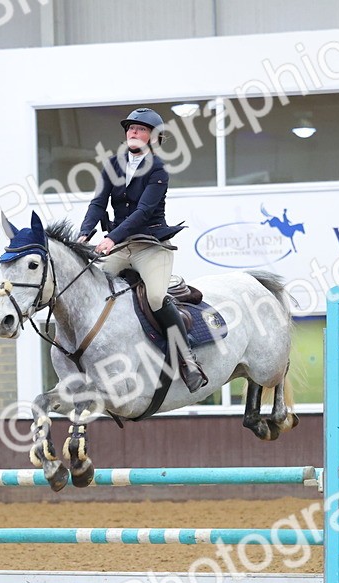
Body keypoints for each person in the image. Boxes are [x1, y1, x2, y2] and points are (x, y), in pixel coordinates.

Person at [77, 107, 207, 391]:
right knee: (89, 284)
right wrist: (85, 234)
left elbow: (144, 211)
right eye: (131, 128)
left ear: (154, 138)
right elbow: (98, 202)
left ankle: (188, 360)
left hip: (150, 245)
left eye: (141, 129)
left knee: (158, 297)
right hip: (120, 246)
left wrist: (111, 237)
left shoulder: (158, 169)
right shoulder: (112, 164)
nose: (134, 132)